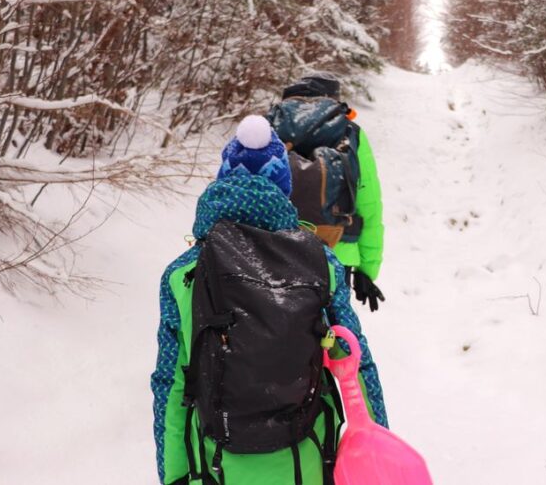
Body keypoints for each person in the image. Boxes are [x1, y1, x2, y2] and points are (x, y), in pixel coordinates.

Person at [150, 116, 387, 485]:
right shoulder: (322, 262)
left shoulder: (182, 274)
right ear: (283, 190)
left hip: (217, 468)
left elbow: (171, 383)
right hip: (304, 461)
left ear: (223, 181)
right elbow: (355, 360)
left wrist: (175, 476)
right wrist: (379, 449)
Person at [278, 73, 386, 312]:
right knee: (333, 338)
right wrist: (367, 269)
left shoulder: (267, 129)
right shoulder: (350, 133)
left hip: (274, 251)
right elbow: (368, 204)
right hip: (337, 253)